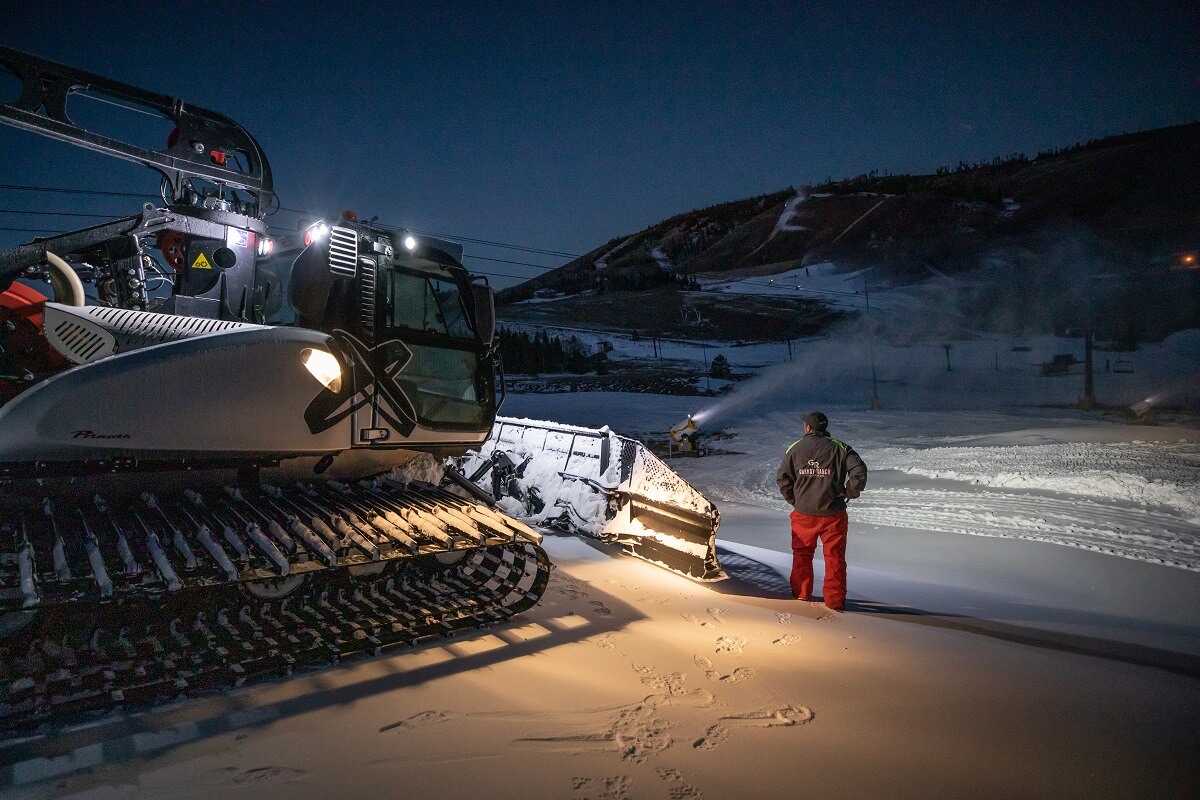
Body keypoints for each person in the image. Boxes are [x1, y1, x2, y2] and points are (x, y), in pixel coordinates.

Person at [776, 411, 867, 611]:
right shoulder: (841, 448)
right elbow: (858, 470)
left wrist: (795, 500)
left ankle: (801, 593)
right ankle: (834, 602)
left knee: (802, 555)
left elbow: (783, 478)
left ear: (808, 428)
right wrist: (849, 492)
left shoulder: (795, 448)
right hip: (833, 515)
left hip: (803, 515)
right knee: (834, 558)